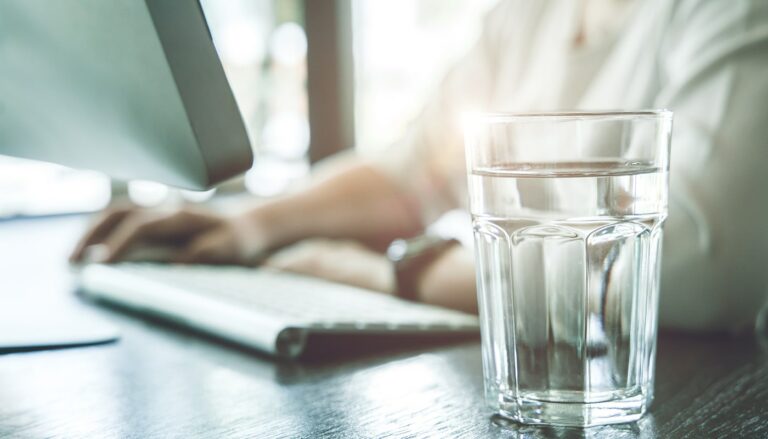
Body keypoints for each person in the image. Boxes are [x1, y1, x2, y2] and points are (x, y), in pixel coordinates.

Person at [71, 0, 768, 333]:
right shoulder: (531, 17)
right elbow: (412, 171)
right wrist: (248, 224)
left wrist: (395, 274)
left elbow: (691, 274)